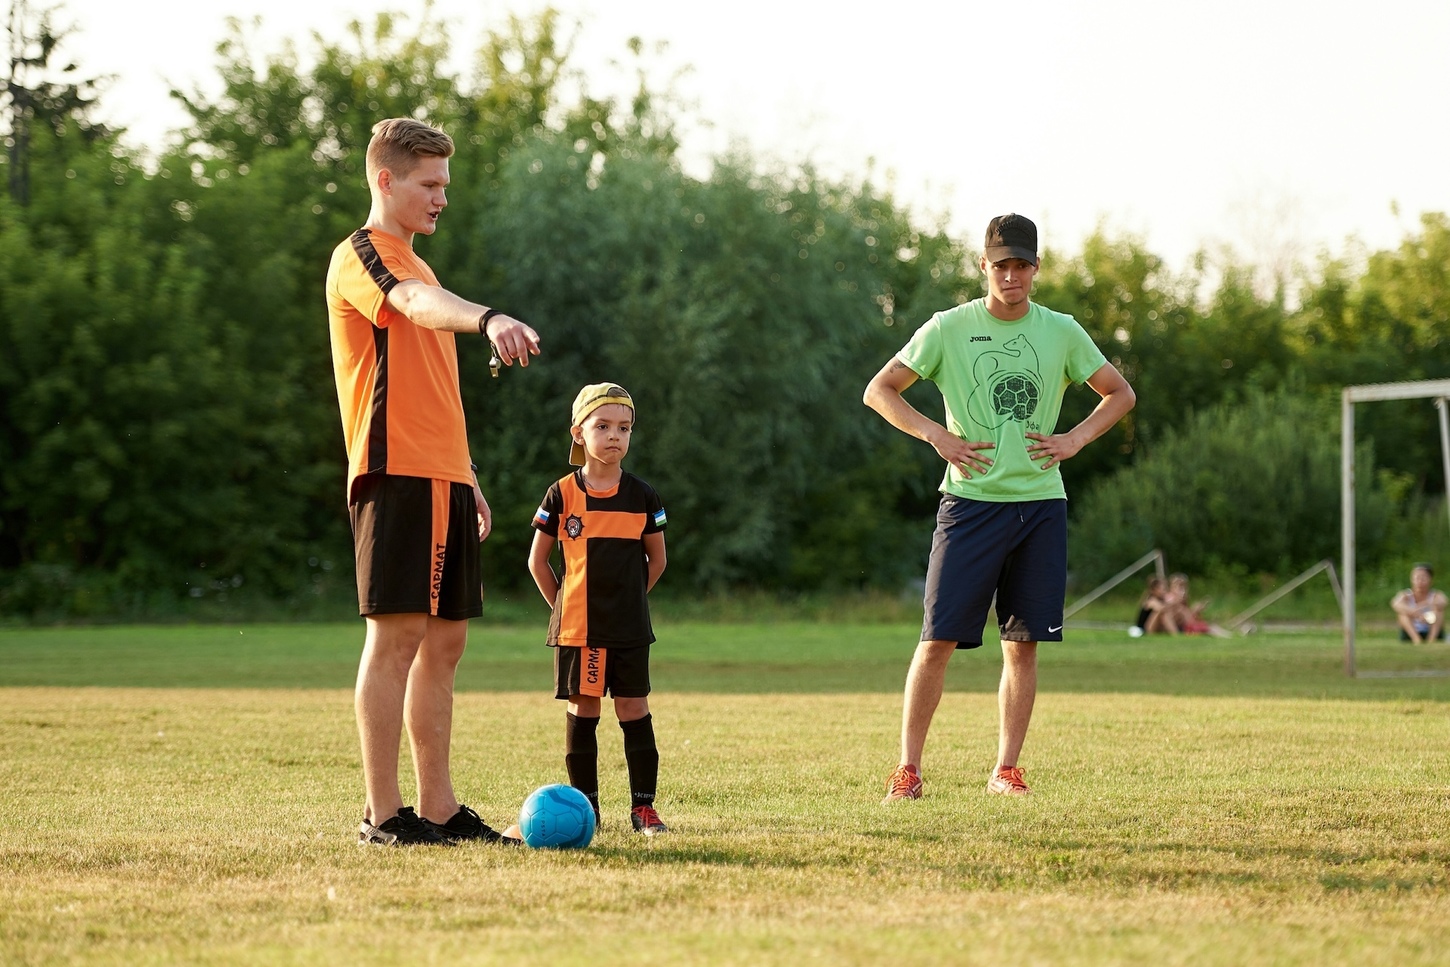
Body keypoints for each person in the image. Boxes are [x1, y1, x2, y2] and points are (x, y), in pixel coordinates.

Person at [864, 213, 1135, 802]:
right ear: (983, 266)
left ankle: (1005, 770)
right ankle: (908, 770)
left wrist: (1074, 440)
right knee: (936, 640)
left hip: (1041, 507)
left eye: (1022, 265)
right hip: (968, 506)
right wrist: (937, 436)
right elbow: (879, 390)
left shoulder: (1061, 330)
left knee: (1023, 644)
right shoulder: (947, 328)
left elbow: (1120, 393)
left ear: (1036, 268)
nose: (1011, 275)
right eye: (1001, 264)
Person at [326, 117, 541, 846]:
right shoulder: (364, 255)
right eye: (429, 183)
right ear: (385, 180)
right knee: (397, 637)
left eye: (445, 184)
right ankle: (382, 814)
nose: (442, 196)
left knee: (445, 642)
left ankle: (439, 808)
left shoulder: (421, 265)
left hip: (443, 475)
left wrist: (467, 473)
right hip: (394, 473)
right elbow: (418, 312)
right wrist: (487, 318)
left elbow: (432, 379)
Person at [528, 383, 671, 835]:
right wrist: (564, 607)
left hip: (628, 629)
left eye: (624, 428)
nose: (615, 436)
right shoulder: (560, 494)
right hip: (579, 630)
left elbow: (659, 559)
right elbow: (537, 561)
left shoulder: (643, 496)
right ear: (579, 432)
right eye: (603, 426)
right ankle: (585, 810)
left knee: (633, 709)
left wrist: (629, 601)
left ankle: (643, 809)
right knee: (584, 712)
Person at [1391, 563, 1447, 643]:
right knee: (1403, 614)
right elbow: (1395, 604)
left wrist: (1424, 612)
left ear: (1430, 580)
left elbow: (1443, 602)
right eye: (1417, 578)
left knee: (1438, 612)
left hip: (1430, 626)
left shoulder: (1436, 595)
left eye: (1423, 578)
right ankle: (1416, 639)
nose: (1420, 581)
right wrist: (1415, 613)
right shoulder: (1406, 595)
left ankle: (1432, 640)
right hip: (1412, 629)